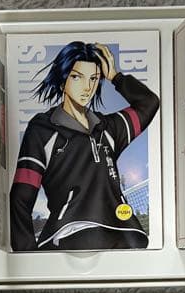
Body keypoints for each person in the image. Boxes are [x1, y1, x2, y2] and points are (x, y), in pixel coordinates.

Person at [9, 41, 159, 251]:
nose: (87, 87)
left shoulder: (108, 127)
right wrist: (28, 258)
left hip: (122, 235)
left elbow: (149, 103)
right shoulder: (42, 129)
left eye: (94, 78)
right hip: (69, 234)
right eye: (77, 77)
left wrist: (115, 77)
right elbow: (20, 198)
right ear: (62, 80)